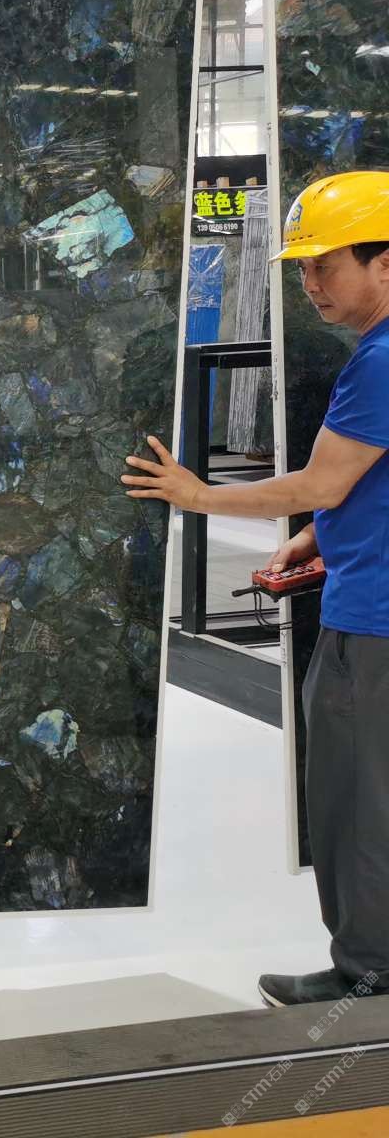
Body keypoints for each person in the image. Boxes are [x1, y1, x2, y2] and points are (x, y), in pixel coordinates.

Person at [123, 172, 389, 1009]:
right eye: (301, 268)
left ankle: (370, 976)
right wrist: (325, 538)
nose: (309, 284)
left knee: (357, 803)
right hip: (367, 595)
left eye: (324, 264)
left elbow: (322, 481)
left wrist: (199, 496)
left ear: (385, 262)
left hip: (373, 626)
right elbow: (362, 488)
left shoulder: (381, 363)